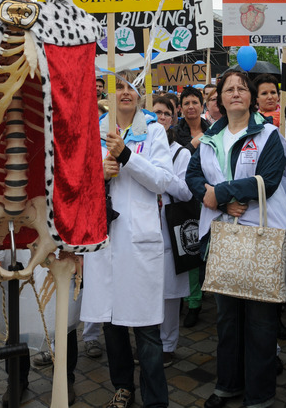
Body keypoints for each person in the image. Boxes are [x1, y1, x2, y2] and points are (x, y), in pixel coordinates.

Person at [186, 71, 286, 408]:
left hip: (259, 237)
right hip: (223, 237)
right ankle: (228, 385)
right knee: (227, 319)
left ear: (250, 96)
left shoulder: (268, 135)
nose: (236, 93)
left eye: (242, 88)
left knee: (261, 321)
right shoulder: (210, 137)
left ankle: (259, 395)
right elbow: (193, 175)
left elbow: (269, 180)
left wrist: (220, 193)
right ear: (220, 98)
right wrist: (220, 202)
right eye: (229, 89)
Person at [81, 70, 172, 408]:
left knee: (146, 327)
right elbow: (77, 183)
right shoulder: (95, 131)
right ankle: (122, 386)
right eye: (117, 87)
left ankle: (155, 398)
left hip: (138, 242)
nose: (124, 93)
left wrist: (127, 157)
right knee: (111, 321)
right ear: (107, 94)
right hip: (104, 241)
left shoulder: (154, 131)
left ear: (139, 95)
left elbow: (162, 180)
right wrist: (99, 174)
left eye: (130, 87)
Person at [152, 96, 191, 367]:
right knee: (148, 287)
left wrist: (162, 178)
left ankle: (168, 344)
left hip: (169, 224)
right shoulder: (142, 146)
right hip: (146, 224)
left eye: (166, 113)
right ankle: (149, 340)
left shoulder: (181, 153)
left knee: (169, 292)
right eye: (157, 112)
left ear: (173, 119)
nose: (162, 117)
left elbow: (186, 192)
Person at [174, 86, 208, 328]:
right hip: (184, 200)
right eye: (186, 103)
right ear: (181, 108)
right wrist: (191, 146)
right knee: (189, 249)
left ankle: (202, 297)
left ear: (202, 105)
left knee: (205, 251)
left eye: (195, 102)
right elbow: (173, 162)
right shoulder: (175, 134)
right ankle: (190, 302)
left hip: (209, 197)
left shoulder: (213, 130)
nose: (191, 107)